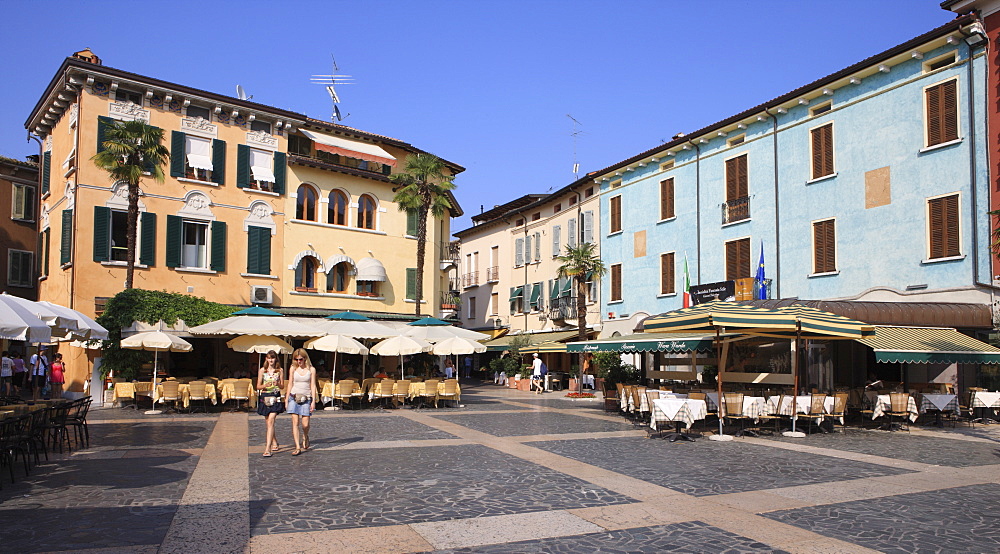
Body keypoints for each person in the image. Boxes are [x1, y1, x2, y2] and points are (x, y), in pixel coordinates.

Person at [286, 348, 317, 456]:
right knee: (295, 423)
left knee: (305, 424)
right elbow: (290, 384)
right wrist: (286, 399)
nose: (299, 361)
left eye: (301, 359)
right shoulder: (293, 368)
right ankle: (297, 447)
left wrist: (313, 400)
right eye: (296, 359)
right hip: (293, 397)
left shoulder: (311, 369)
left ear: (305, 358)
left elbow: (313, 385)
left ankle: (305, 435)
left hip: (306, 398)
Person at [256, 350, 285, 457]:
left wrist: (277, 383)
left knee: (271, 420)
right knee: (268, 422)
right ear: (266, 359)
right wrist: (265, 385)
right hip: (265, 396)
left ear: (275, 359)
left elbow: (282, 386)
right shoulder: (262, 370)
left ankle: (268, 448)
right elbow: (258, 386)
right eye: (268, 358)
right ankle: (274, 441)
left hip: (275, 396)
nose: (271, 360)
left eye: (272, 358)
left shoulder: (280, 370)